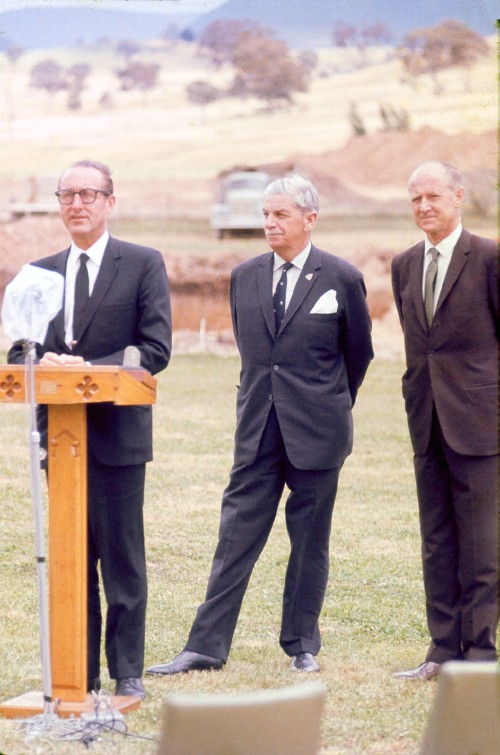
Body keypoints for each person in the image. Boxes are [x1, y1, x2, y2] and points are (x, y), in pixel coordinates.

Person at [147, 174, 373, 676]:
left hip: (319, 434)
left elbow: (358, 355)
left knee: (309, 539)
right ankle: (204, 646)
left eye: (281, 215)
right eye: (266, 215)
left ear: (309, 219)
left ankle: (301, 645)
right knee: (235, 536)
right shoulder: (244, 276)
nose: (269, 223)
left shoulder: (341, 278)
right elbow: (255, 357)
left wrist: (329, 403)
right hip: (257, 430)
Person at [8, 159, 172, 699]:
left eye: (88, 194)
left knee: (122, 557)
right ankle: (78, 673)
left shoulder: (143, 264)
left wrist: (85, 368)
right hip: (61, 438)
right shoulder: (38, 273)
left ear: (110, 202)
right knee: (72, 560)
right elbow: (18, 350)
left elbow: (155, 348)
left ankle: (127, 673)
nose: (76, 204)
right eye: (67, 195)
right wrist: (41, 360)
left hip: (118, 435)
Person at [391, 160, 498, 680]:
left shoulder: (490, 258)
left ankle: (479, 655)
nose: (424, 207)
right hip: (427, 421)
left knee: (481, 542)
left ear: (459, 196)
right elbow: (421, 346)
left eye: (433, 196)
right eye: (415, 199)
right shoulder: (404, 264)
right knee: (436, 538)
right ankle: (441, 651)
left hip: (480, 423)